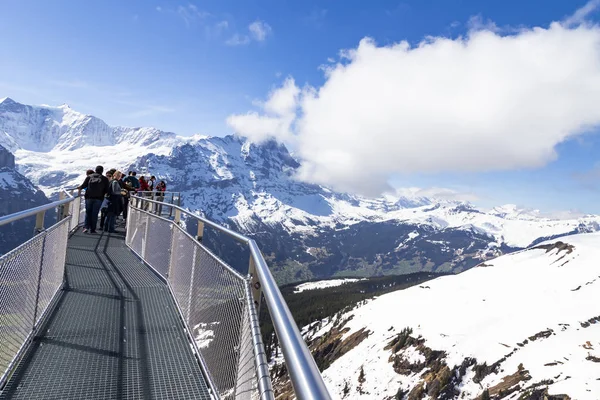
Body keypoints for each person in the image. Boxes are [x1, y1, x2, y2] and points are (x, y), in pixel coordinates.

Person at [78, 165, 109, 234]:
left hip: (88, 197)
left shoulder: (89, 177)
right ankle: (93, 229)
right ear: (102, 171)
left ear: (95, 170)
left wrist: (79, 188)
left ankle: (86, 227)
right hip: (99, 198)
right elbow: (107, 190)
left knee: (88, 213)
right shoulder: (104, 179)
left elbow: (84, 186)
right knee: (95, 214)